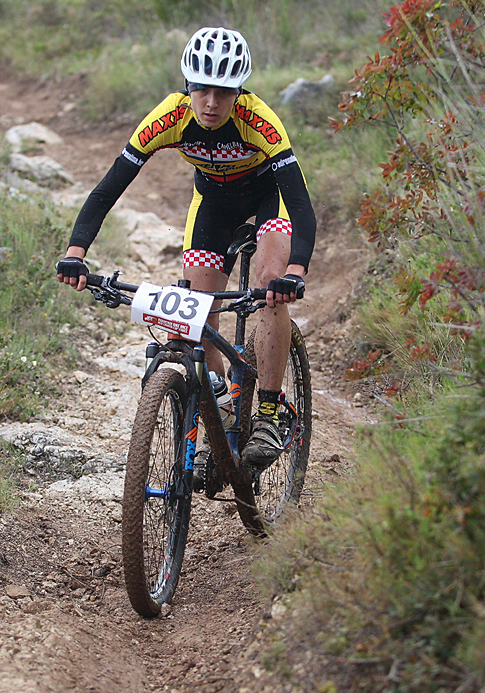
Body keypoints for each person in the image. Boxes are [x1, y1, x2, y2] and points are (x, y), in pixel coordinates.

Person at [55, 26, 315, 470]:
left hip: (268, 197)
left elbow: (302, 206)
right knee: (196, 313)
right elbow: (107, 190)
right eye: (201, 90)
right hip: (212, 204)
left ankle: (271, 411)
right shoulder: (168, 117)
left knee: (271, 284)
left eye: (223, 93)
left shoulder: (260, 121)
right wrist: (77, 253)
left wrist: (297, 271)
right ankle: (219, 406)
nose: (211, 103)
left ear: (239, 92)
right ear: (187, 86)